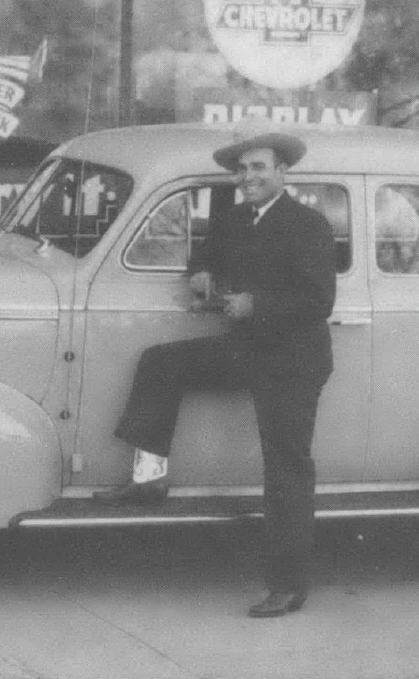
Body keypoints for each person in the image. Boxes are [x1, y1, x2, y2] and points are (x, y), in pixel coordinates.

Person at [93, 123, 337, 619]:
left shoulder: (308, 224)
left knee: (287, 468)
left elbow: (319, 300)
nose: (247, 177)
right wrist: (200, 272)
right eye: (242, 169)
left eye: (258, 168)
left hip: (292, 362)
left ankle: (287, 586)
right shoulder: (236, 218)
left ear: (282, 172)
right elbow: (206, 251)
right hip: (248, 349)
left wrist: (257, 304)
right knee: (160, 362)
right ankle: (150, 478)